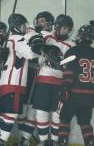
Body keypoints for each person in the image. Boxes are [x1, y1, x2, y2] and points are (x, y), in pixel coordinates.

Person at [0, 13, 38, 146]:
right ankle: (1, 142)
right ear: (18, 26)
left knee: (5, 113)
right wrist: (42, 48)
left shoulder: (10, 39)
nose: (25, 28)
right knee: (11, 114)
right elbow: (30, 54)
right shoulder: (18, 38)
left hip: (6, 82)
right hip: (14, 83)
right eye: (23, 25)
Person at [31, 14, 75, 146]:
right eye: (65, 28)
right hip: (43, 81)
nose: (66, 31)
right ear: (57, 27)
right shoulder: (46, 37)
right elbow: (33, 51)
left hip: (60, 84)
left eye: (68, 29)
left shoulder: (71, 45)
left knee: (57, 115)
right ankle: (43, 141)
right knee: (41, 112)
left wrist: (61, 62)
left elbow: (70, 66)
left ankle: (55, 142)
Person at [18, 11, 55, 146]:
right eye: (39, 20)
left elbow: (33, 55)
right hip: (29, 75)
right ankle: (25, 138)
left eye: (43, 20)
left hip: (39, 77)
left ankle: (25, 139)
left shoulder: (47, 36)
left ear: (50, 23)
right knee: (25, 110)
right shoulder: (34, 34)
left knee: (33, 110)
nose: (40, 22)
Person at [57, 24, 94, 146]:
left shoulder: (73, 51)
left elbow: (68, 72)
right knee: (85, 122)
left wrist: (65, 88)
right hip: (90, 96)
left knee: (64, 118)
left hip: (74, 94)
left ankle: (62, 143)